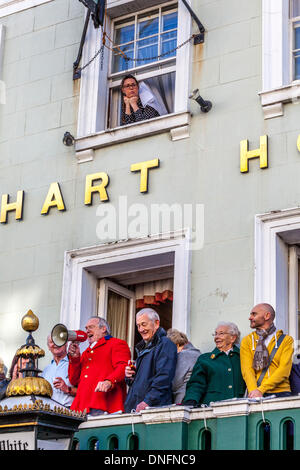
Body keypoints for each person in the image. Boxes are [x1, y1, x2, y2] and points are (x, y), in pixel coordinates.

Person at [68, 316, 131, 415]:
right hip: (81, 407)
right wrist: (75, 358)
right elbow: (74, 380)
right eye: (86, 328)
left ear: (103, 329)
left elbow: (123, 367)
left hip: (104, 404)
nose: (87, 331)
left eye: (91, 327)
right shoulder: (86, 353)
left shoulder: (117, 344)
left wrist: (109, 381)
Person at [124, 308, 177, 413]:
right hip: (136, 407)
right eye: (138, 326)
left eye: (144, 324)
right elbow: (142, 381)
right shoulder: (143, 347)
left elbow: (164, 377)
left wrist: (148, 401)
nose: (140, 329)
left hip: (153, 409)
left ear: (156, 323)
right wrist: (130, 377)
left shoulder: (165, 344)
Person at [182, 322, 245, 407]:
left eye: (221, 333)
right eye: (215, 334)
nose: (216, 337)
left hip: (239, 409)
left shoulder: (243, 358)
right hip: (212, 411)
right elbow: (196, 383)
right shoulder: (205, 359)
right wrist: (191, 399)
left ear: (232, 338)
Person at [240, 303, 294, 398]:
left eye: (254, 314)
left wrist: (261, 389)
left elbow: (284, 370)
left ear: (267, 316)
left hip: (281, 392)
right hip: (255, 394)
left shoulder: (286, 340)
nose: (250, 317)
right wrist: (254, 391)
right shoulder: (247, 341)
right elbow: (247, 370)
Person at [166, 328, 201, 404]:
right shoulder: (198, 354)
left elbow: (175, 384)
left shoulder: (183, 355)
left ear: (177, 345)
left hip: (183, 399)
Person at [41, 336, 76, 407]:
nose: (55, 344)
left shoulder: (75, 364)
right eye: (51, 342)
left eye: (58, 340)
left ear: (66, 343)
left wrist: (67, 389)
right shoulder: (46, 370)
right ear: (48, 347)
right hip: (50, 413)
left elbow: (86, 392)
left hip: (70, 412)